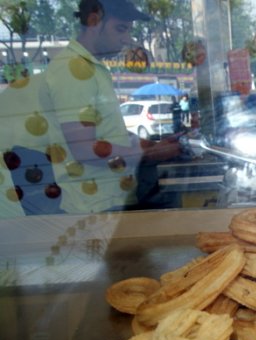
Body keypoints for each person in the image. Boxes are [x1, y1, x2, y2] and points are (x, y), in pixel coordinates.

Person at [35, 0, 181, 213]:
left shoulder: (89, 67)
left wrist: (149, 145)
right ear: (94, 21)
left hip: (109, 200)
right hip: (95, 207)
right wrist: (147, 155)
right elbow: (84, 148)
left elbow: (109, 134)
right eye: (120, 28)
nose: (127, 39)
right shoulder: (73, 70)